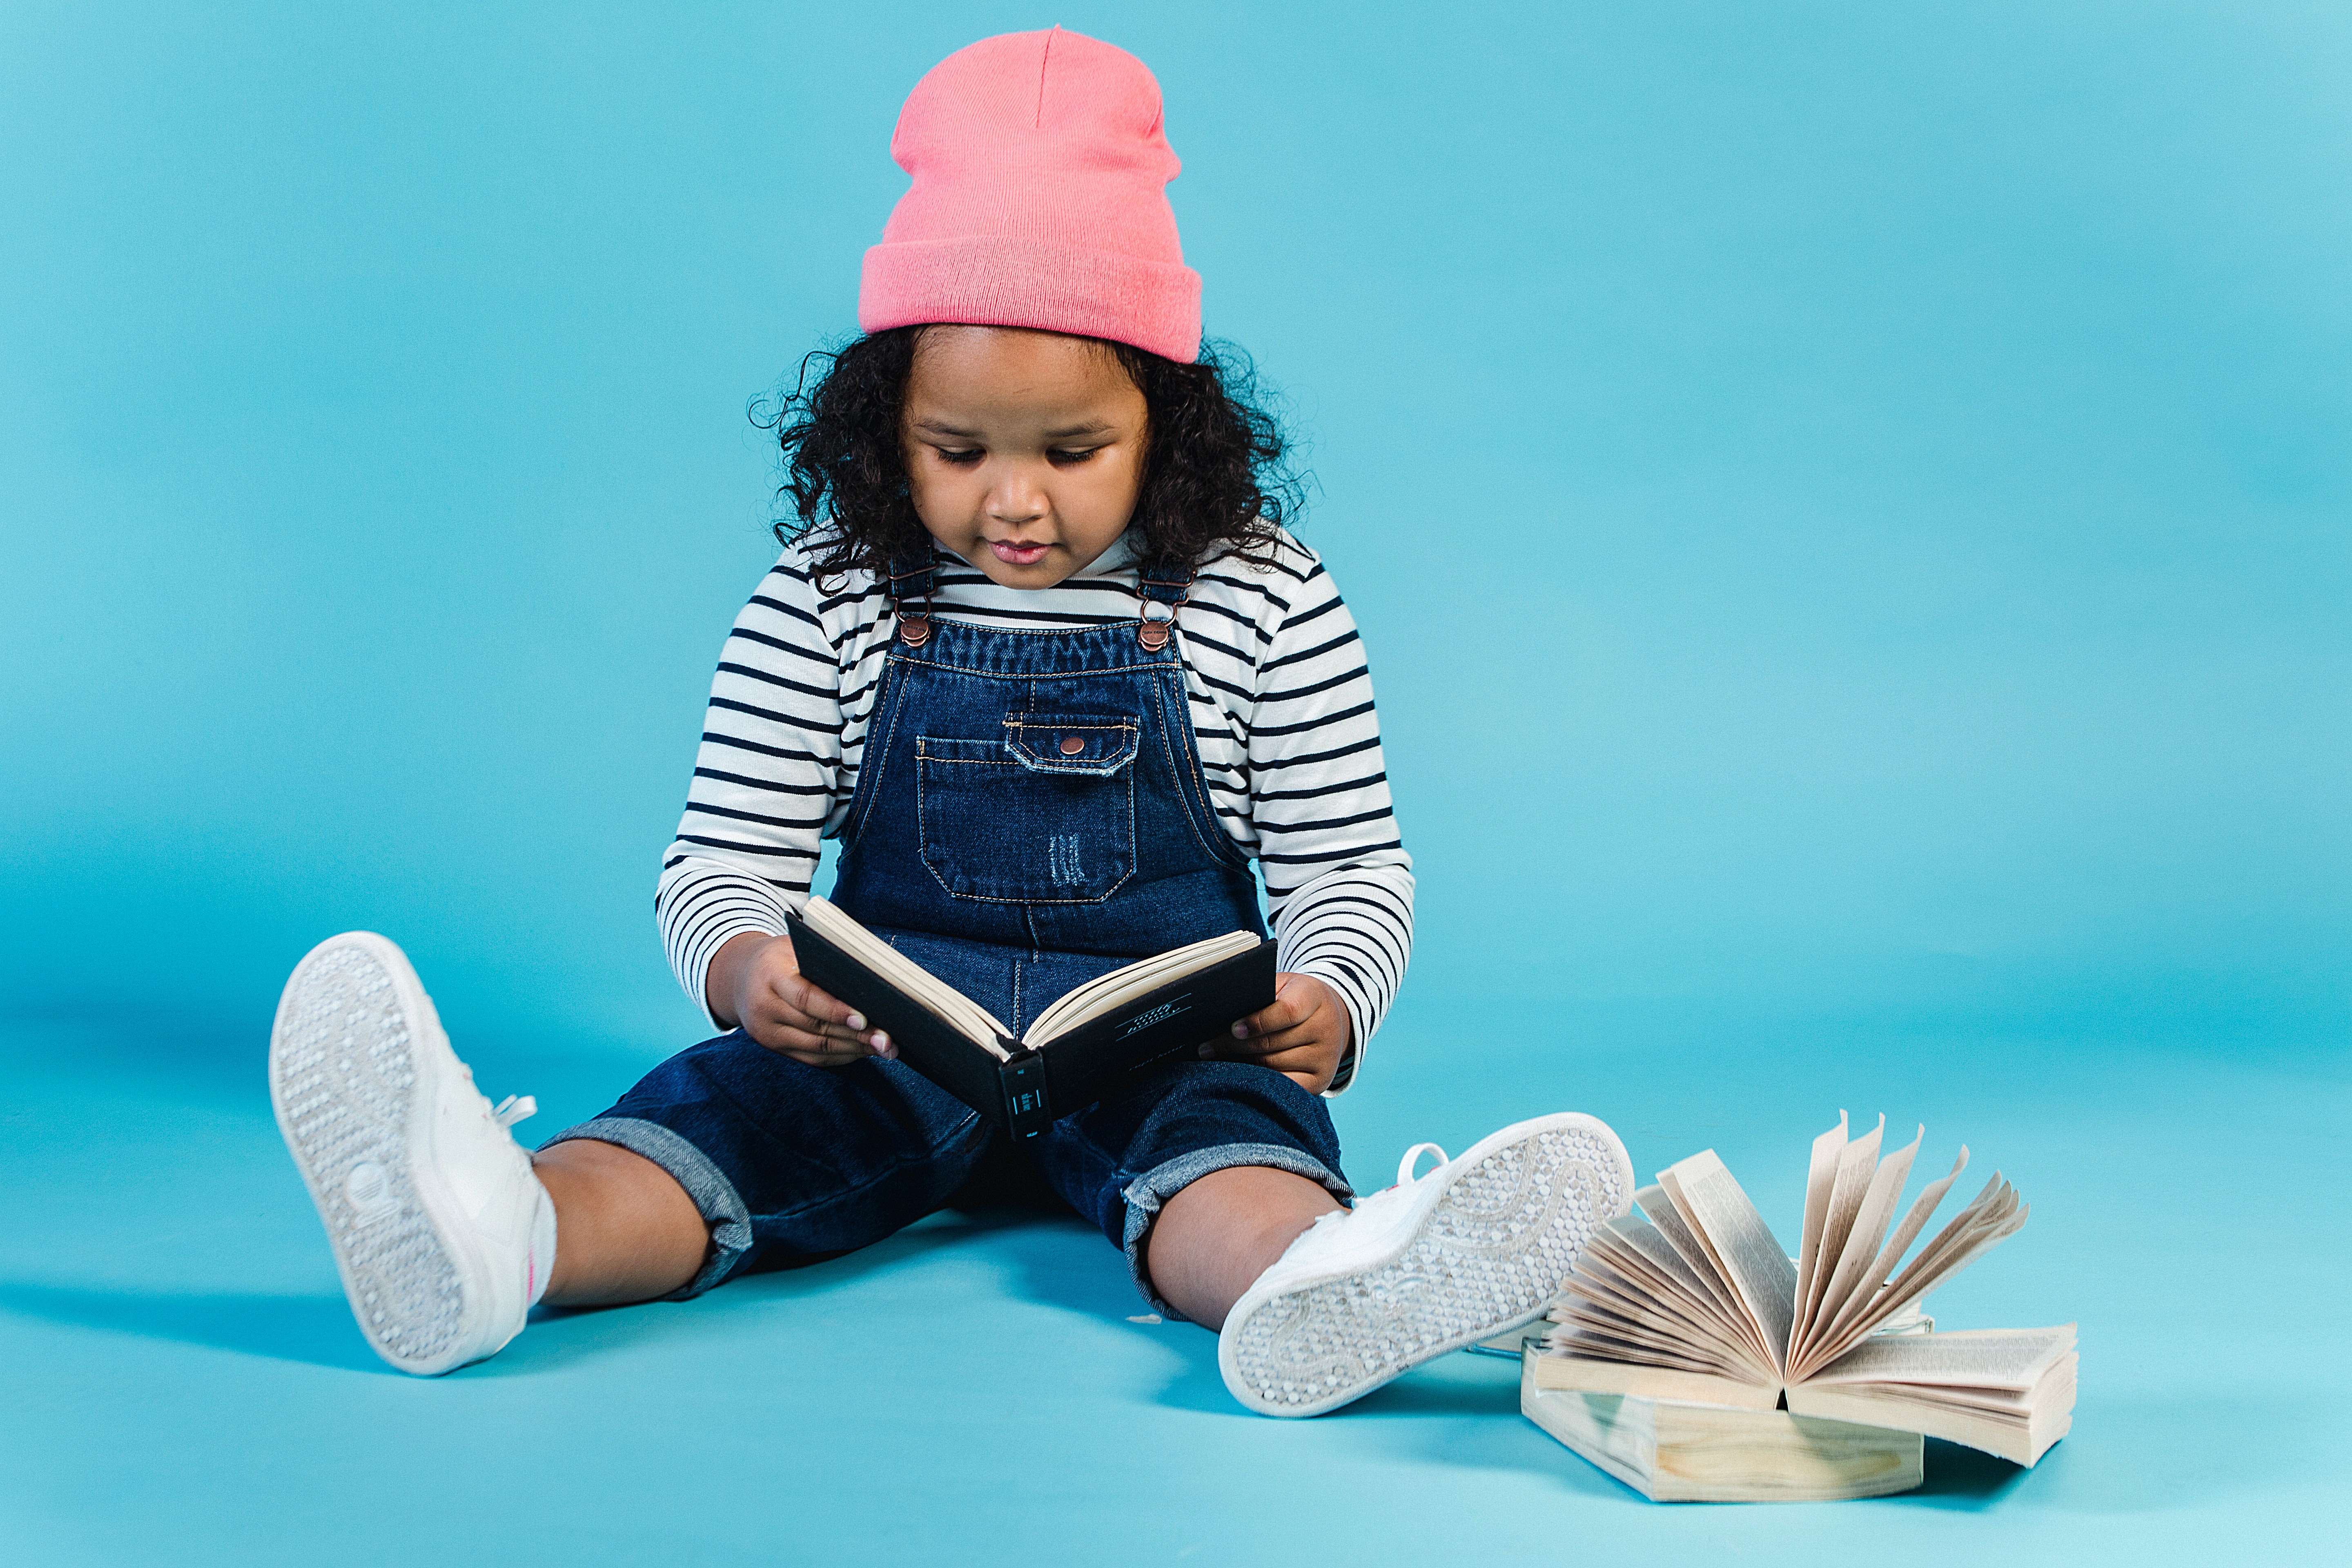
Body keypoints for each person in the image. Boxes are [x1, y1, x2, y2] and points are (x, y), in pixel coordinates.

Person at [266, 27, 1633, 1417]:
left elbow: (1350, 868)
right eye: (958, 453)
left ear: (1165, 424)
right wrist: (749, 978)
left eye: (1071, 453)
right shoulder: (833, 592)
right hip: (882, 1047)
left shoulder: (1261, 593)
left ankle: (1327, 1280)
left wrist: (1326, 1005)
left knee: (1228, 1154)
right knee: (724, 1127)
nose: (1014, 505)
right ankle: (505, 1233)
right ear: (883, 428)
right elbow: (718, 861)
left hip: (1162, 1051)